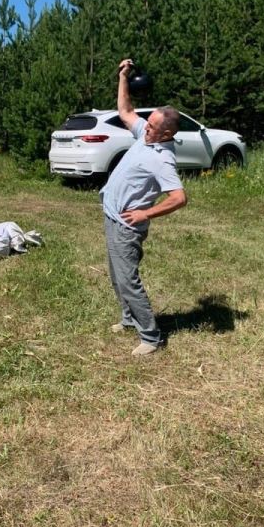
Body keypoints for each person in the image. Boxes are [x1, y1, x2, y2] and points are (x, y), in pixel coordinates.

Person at [101, 59, 187, 356]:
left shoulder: (162, 157)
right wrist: (123, 76)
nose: (146, 128)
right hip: (112, 216)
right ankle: (128, 319)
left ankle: (151, 337)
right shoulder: (145, 136)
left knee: (128, 278)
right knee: (116, 275)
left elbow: (178, 197)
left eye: (152, 127)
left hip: (128, 225)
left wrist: (145, 213)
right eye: (148, 124)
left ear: (166, 134)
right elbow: (125, 111)